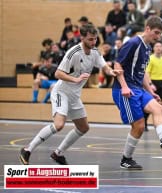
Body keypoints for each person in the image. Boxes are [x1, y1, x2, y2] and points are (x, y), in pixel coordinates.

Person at [19, 24, 119, 165]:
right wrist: (75, 79)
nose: (93, 42)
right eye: (90, 39)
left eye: (95, 39)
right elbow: (58, 73)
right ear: (82, 37)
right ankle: (28, 149)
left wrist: (112, 72)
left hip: (74, 96)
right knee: (59, 125)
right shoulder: (73, 52)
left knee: (83, 127)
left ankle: (58, 153)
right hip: (62, 92)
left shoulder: (95, 52)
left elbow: (104, 67)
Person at [112, 16, 162, 170]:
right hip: (124, 89)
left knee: (158, 108)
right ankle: (126, 159)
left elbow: (143, 72)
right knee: (139, 126)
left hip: (138, 88)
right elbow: (117, 63)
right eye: (156, 32)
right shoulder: (133, 43)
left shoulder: (147, 47)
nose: (158, 37)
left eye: (160, 34)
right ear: (147, 29)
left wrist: (150, 90)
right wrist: (125, 87)